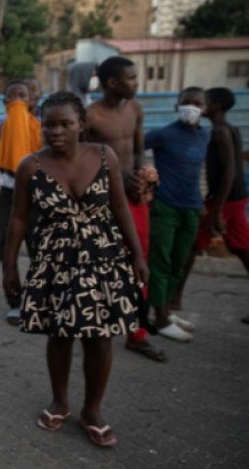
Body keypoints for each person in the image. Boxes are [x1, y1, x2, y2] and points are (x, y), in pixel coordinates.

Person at [3, 91, 146, 448]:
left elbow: (120, 208)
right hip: (55, 263)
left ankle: (93, 411)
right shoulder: (30, 166)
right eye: (48, 124)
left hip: (103, 260)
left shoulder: (104, 156)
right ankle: (60, 401)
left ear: (81, 124)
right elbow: (18, 218)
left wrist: (139, 256)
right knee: (59, 333)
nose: (56, 131)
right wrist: (10, 267)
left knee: (100, 337)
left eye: (65, 123)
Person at [83, 56, 166, 363]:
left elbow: (139, 152)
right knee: (103, 264)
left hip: (134, 199)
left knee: (138, 260)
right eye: (131, 78)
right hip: (104, 200)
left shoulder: (135, 109)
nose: (136, 83)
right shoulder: (90, 117)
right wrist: (115, 176)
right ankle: (100, 323)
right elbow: (81, 160)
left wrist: (145, 176)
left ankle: (137, 334)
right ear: (113, 83)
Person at [171, 88, 249, 325]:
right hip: (234, 198)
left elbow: (229, 172)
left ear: (214, 106)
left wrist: (216, 210)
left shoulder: (220, 132)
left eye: (204, 102)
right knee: (242, 248)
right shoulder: (227, 129)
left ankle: (174, 299)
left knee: (192, 245)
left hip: (226, 199)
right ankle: (175, 299)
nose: (200, 107)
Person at [144, 87, 210, 342]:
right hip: (165, 208)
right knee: (160, 262)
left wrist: (203, 202)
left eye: (196, 104)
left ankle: (166, 311)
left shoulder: (205, 137)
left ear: (204, 109)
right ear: (176, 106)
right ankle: (159, 319)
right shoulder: (163, 134)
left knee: (178, 263)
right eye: (186, 103)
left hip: (192, 207)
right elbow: (134, 151)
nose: (190, 108)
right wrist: (146, 183)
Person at [0, 81, 42, 328]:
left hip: (38, 196)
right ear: (5, 102)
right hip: (10, 194)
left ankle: (38, 298)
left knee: (38, 246)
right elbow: (2, 165)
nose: (19, 100)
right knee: (6, 243)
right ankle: (14, 300)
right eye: (12, 96)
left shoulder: (43, 129)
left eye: (23, 95)